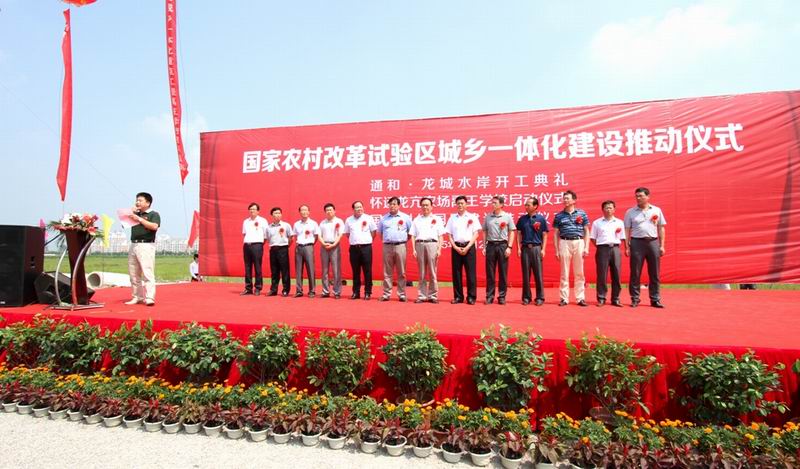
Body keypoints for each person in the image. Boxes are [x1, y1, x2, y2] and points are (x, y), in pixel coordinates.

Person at [624, 187, 666, 308]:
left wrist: (662, 245)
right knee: (635, 272)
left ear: (648, 197)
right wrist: (627, 246)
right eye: (636, 196)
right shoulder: (630, 212)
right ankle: (635, 298)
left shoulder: (657, 210)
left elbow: (661, 228)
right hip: (637, 243)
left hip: (653, 242)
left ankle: (655, 299)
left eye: (641, 196)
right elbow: (627, 230)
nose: (638, 198)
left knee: (654, 272)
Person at [553, 190, 590, 307]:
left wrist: (586, 247)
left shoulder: (582, 213)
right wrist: (556, 250)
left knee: (579, 272)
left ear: (574, 200)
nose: (565, 200)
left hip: (579, 241)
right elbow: (556, 233)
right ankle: (564, 298)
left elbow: (586, 231)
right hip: (564, 242)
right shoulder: (559, 216)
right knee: (564, 272)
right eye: (564, 198)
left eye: (567, 198)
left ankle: (580, 298)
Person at [125, 192, 160, 306]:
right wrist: (130, 213)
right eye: (136, 200)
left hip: (146, 245)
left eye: (140, 200)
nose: (137, 202)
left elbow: (154, 226)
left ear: (148, 203)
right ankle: (137, 296)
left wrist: (139, 219)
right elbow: (124, 224)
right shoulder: (135, 214)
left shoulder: (153, 214)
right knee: (133, 273)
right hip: (133, 244)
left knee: (147, 272)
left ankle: (149, 297)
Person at [445, 195, 481, 305]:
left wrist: (467, 247)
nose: (460, 205)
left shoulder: (472, 217)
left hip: (469, 247)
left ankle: (471, 297)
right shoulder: (452, 218)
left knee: (471, 273)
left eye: (462, 203)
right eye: (458, 203)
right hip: (456, 247)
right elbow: (449, 234)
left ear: (466, 204)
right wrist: (455, 247)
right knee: (456, 273)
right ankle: (458, 297)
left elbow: (476, 234)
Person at [590, 200, 626, 307]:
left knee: (617, 274)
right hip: (602, 249)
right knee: (602, 274)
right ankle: (601, 298)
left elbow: (622, 237)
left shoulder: (619, 222)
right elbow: (593, 238)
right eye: (606, 207)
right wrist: (600, 247)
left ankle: (616, 299)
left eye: (610, 207)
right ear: (602, 209)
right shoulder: (597, 223)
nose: (608, 210)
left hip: (615, 248)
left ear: (614, 209)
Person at [410, 197, 446, 303]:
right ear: (421, 207)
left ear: (431, 207)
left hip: (432, 245)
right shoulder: (417, 220)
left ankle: (433, 296)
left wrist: (439, 249)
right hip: (420, 245)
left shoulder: (437, 219)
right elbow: (413, 235)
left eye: (427, 205)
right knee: (421, 272)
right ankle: (421, 296)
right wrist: (414, 249)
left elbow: (441, 236)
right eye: (423, 205)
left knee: (432, 271)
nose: (425, 207)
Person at [482, 196, 516, 305]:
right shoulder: (488, 217)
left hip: (503, 245)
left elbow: (512, 231)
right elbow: (484, 232)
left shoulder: (507, 216)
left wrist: (509, 247)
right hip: (491, 245)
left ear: (501, 205)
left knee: (503, 272)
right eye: (492, 202)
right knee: (490, 273)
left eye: (495, 203)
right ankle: (489, 296)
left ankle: (502, 296)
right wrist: (484, 246)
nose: (493, 204)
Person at [377, 197, 412, 302]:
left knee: (401, 272)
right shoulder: (384, 218)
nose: (392, 206)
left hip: (400, 246)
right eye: (390, 204)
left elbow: (410, 233)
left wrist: (401, 241)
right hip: (387, 246)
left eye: (394, 204)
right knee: (387, 272)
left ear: (399, 205)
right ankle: (386, 294)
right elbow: (380, 233)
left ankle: (402, 294)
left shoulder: (405, 217)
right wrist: (388, 240)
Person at [515, 197, 548, 306]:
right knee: (526, 275)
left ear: (535, 206)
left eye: (528, 205)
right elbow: (518, 234)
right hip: (525, 248)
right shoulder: (522, 219)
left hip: (536, 248)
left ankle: (540, 297)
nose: (526, 206)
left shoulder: (541, 219)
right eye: (526, 204)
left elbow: (545, 235)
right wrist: (518, 248)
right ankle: (526, 297)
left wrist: (543, 249)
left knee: (538, 274)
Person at [344, 200, 377, 300]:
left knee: (367, 270)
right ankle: (356, 292)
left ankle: (368, 292)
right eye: (357, 207)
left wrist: (366, 240)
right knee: (355, 271)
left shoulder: (369, 218)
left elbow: (373, 232)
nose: (359, 209)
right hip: (354, 248)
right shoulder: (349, 220)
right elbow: (347, 234)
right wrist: (356, 240)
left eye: (360, 207)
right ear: (353, 209)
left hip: (366, 247)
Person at [292, 205, 320, 298]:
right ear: (299, 212)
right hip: (299, 247)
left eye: (306, 210)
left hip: (308, 247)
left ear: (309, 212)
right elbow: (295, 235)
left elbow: (316, 236)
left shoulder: (313, 223)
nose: (304, 212)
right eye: (302, 210)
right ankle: (299, 290)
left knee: (310, 269)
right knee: (298, 270)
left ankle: (312, 290)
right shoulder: (296, 224)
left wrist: (310, 244)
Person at [318, 203, 344, 299]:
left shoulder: (339, 221)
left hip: (335, 246)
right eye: (327, 210)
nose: (329, 211)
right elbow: (319, 235)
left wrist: (333, 244)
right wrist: (323, 244)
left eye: (330, 210)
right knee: (324, 270)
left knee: (336, 270)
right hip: (324, 246)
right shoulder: (322, 223)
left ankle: (337, 291)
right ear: (325, 212)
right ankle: (325, 291)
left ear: (334, 211)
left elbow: (340, 235)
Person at [241, 202, 267, 296]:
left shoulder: (263, 221)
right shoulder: (246, 221)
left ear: (258, 211)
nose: (252, 211)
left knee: (257, 266)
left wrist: (259, 244)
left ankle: (258, 287)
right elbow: (244, 233)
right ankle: (248, 288)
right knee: (247, 267)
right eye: (251, 209)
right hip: (247, 245)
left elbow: (265, 235)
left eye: (254, 209)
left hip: (257, 245)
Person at [266, 207, 293, 297]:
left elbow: (291, 237)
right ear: (272, 215)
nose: (277, 215)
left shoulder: (286, 225)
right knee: (274, 271)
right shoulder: (269, 227)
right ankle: (273, 290)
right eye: (275, 213)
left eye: (279, 213)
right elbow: (268, 238)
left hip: (283, 249)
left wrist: (286, 246)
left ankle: (285, 290)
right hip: (273, 249)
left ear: (281, 214)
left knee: (285, 270)